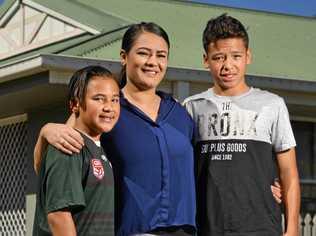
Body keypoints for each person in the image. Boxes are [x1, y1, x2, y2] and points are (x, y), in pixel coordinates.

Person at [33, 22, 197, 236]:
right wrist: (45, 132)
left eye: (161, 55)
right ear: (124, 56)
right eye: (143, 53)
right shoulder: (106, 112)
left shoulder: (180, 114)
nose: (153, 62)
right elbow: (54, 168)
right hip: (130, 230)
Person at [183, 14, 300, 236]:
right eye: (218, 57)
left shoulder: (272, 105)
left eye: (236, 56)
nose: (228, 65)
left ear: (248, 57)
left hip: (261, 227)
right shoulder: (191, 107)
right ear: (206, 59)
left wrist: (292, 228)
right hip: (207, 228)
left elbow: (289, 172)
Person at [33, 66, 120, 236]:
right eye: (99, 99)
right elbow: (59, 216)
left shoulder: (95, 147)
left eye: (115, 100)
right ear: (75, 104)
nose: (109, 107)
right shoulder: (68, 146)